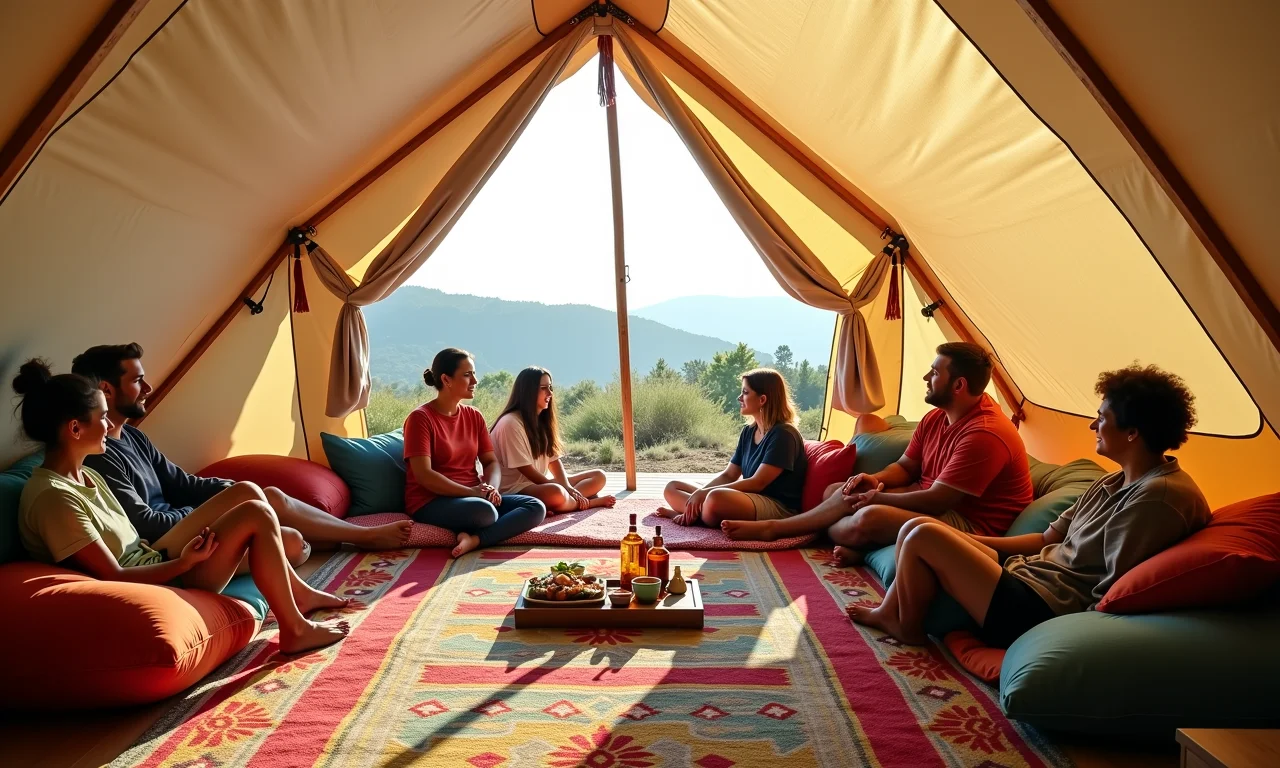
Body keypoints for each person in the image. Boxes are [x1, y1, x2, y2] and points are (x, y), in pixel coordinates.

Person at [849, 364, 1210, 647]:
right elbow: (1043, 540)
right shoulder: (1111, 481)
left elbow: (1114, 589)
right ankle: (892, 614)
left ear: (1133, 432)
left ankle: (904, 625)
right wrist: (968, 543)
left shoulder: (1158, 498)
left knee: (923, 531)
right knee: (921, 529)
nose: (1092, 425)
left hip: (1039, 609)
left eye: (1102, 418)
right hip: (1025, 577)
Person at [13, 360, 349, 654]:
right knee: (257, 515)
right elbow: (114, 575)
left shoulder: (84, 475)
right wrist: (184, 562)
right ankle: (296, 629)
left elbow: (139, 541)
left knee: (247, 492)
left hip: (158, 559)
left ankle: (299, 597)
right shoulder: (53, 498)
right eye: (102, 417)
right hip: (158, 583)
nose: (109, 424)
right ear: (75, 428)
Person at [71, 344, 411, 559]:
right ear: (107, 390)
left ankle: (359, 536)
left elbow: (182, 482)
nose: (148, 389)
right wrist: (211, 512)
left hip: (184, 523)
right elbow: (145, 523)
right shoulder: (98, 456)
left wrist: (227, 493)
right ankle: (360, 536)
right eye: (137, 381)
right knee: (291, 540)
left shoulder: (132, 436)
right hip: (167, 542)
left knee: (269, 497)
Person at [723, 343, 1033, 565]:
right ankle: (854, 541)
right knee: (836, 491)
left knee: (868, 515)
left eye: (935, 373)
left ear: (958, 385)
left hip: (968, 523)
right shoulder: (937, 418)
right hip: (927, 500)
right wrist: (874, 480)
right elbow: (905, 466)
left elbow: (938, 499)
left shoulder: (985, 433)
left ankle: (776, 529)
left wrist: (878, 499)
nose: (926, 378)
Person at [404, 348, 546, 558]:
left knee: (536, 507)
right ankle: (484, 530)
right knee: (485, 512)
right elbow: (424, 475)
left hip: (474, 498)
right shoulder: (420, 418)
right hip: (431, 501)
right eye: (467, 374)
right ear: (446, 379)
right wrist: (471, 493)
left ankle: (475, 539)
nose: (475, 381)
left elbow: (490, 462)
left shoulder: (474, 415)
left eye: (474, 374)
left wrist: (491, 489)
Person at [658, 368, 808, 527]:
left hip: (776, 506)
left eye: (745, 392)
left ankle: (689, 515)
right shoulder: (749, 431)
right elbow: (729, 475)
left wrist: (705, 494)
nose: (740, 398)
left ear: (762, 399)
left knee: (715, 498)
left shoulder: (783, 434)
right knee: (672, 487)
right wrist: (699, 494)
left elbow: (758, 483)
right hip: (748, 499)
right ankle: (696, 513)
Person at [490, 367, 616, 514]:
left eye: (550, 387)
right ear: (527, 391)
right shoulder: (510, 423)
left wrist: (567, 486)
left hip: (538, 486)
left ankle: (564, 503)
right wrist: (566, 488)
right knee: (556, 492)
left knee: (598, 476)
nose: (550, 393)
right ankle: (587, 503)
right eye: (543, 388)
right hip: (515, 491)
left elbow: (553, 460)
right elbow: (527, 470)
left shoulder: (540, 422)